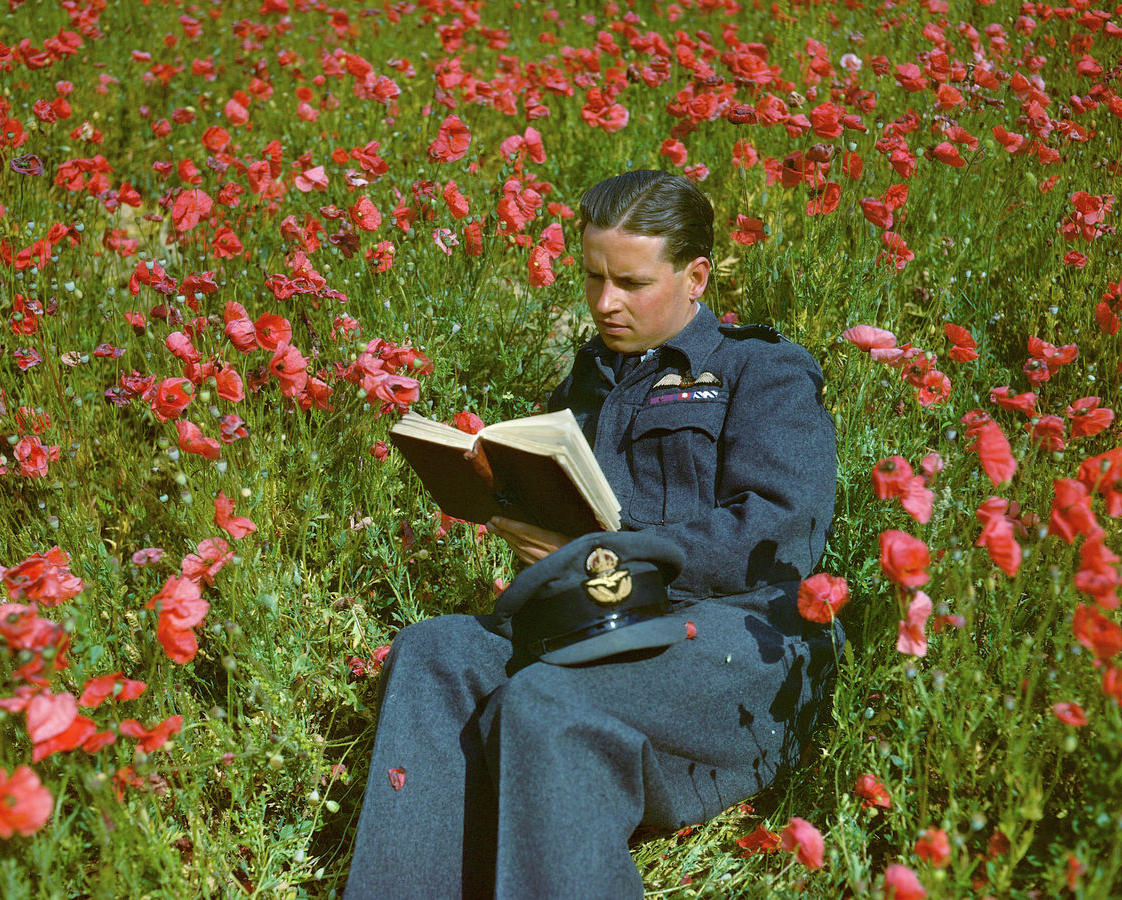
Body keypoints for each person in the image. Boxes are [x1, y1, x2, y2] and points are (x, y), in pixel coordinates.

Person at [343, 171, 841, 899]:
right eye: (592, 277)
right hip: (596, 622)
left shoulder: (761, 371)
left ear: (695, 275)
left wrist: (616, 552)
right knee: (436, 651)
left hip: (741, 644)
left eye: (632, 283)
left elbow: (784, 533)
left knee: (543, 703)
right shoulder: (590, 378)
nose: (606, 303)